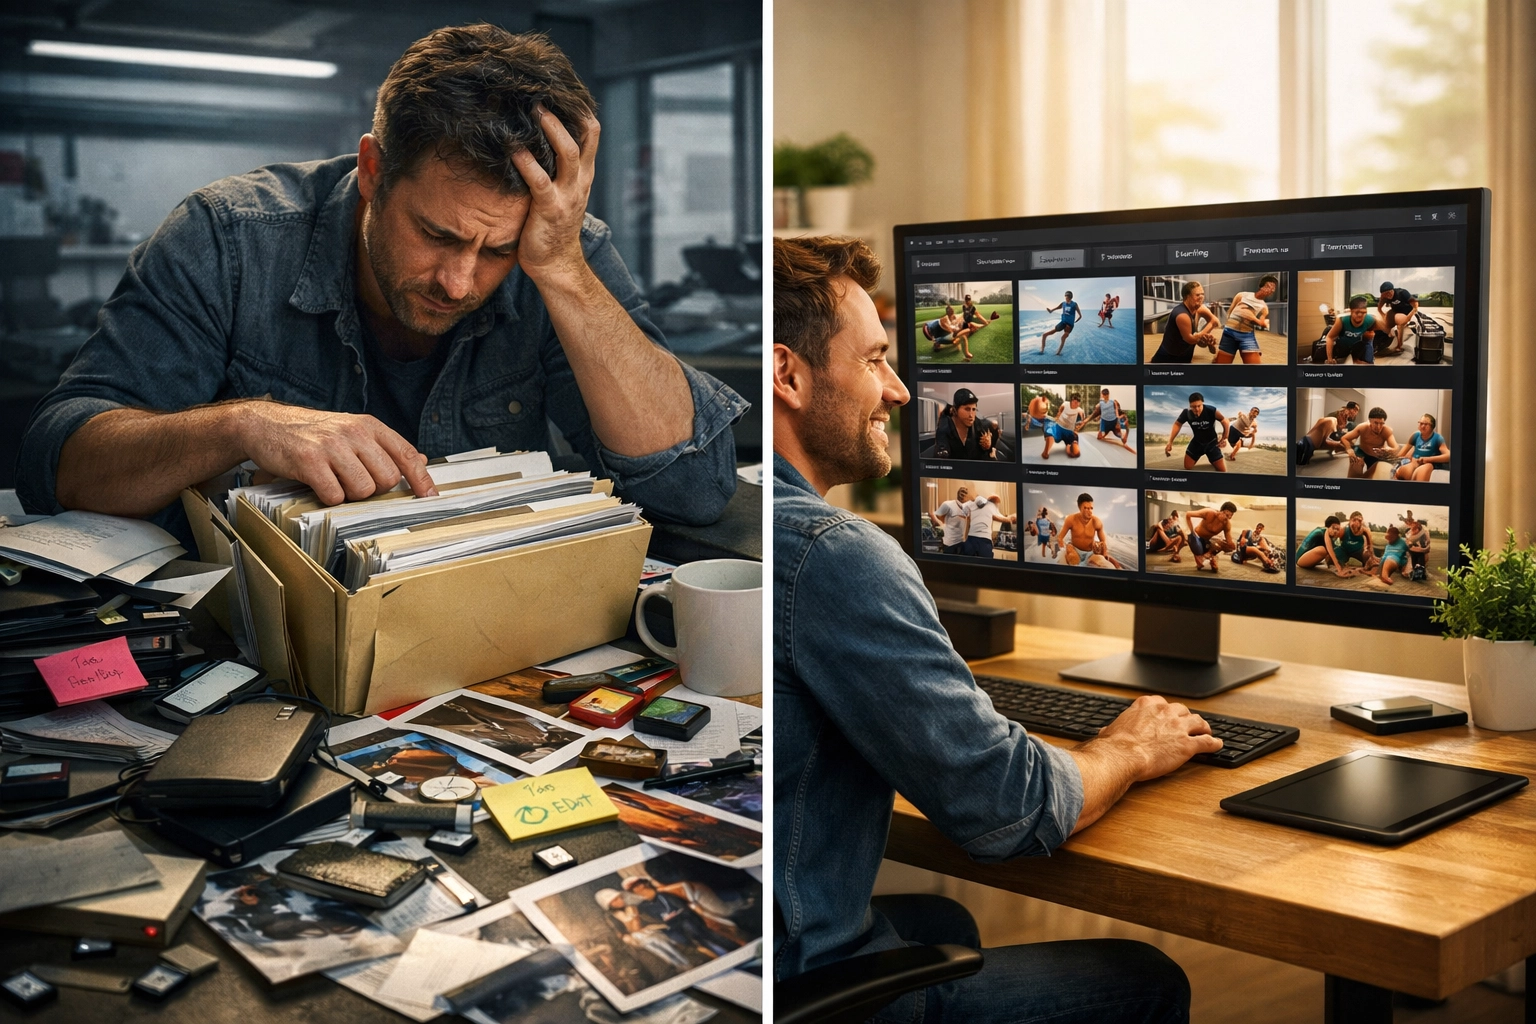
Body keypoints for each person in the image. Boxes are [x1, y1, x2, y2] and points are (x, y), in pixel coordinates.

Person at [17, 25, 743, 538]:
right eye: (436, 234)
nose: (460, 282)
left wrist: (560, 272)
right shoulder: (226, 235)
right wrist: (242, 424)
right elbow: (60, 461)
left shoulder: (562, 251)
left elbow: (693, 491)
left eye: (497, 250)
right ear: (372, 171)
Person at [774, 234, 1209, 1024]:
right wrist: (1129, 749)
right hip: (786, 980)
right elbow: (1005, 811)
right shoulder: (828, 556)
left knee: (945, 924)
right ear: (787, 374)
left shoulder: (708, 504)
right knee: (1146, 980)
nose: (901, 391)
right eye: (875, 359)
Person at [1149, 280, 1218, 363]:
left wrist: (1206, 338)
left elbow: (1216, 321)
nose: (1201, 297)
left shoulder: (1200, 309)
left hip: (1185, 356)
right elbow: (1191, 340)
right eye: (1197, 295)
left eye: (1202, 294)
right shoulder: (1182, 315)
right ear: (1187, 297)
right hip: (1168, 358)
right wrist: (1209, 326)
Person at [1214, 275, 1277, 364]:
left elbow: (1262, 323)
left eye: (1273, 288)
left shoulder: (1264, 307)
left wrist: (1253, 318)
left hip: (1247, 336)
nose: (1271, 290)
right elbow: (1230, 312)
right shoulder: (1242, 295)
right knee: (1221, 366)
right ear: (1261, 286)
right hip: (1229, 333)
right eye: (1268, 286)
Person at [1164, 392, 1230, 472]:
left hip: (1211, 443)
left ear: (1203, 403)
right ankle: (1210, 458)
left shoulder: (1211, 410)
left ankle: (1213, 459)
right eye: (1193, 407)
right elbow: (1177, 424)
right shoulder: (1186, 413)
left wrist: (1224, 437)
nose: (1197, 409)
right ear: (1190, 405)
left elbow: (1225, 421)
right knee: (1187, 467)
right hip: (1197, 443)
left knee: (1222, 470)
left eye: (1199, 406)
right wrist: (1170, 442)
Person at [932, 388, 999, 460]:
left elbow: (994, 426)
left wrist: (989, 446)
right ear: (955, 410)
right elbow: (942, 461)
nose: (971, 415)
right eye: (967, 409)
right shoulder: (944, 428)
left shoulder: (978, 425)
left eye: (973, 409)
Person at [1339, 407, 1401, 479]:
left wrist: (1390, 450)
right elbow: (1344, 438)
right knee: (1353, 476)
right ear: (1370, 421)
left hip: (1376, 455)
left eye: (1381, 423)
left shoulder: (1387, 431)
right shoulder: (1362, 427)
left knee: (1373, 478)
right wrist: (1349, 449)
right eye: (1376, 423)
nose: (1378, 427)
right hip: (1361, 451)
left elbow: (1396, 447)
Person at [1061, 493, 1118, 569]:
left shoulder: (1096, 521)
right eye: (1086, 508)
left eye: (1091, 508)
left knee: (1109, 567)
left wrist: (1103, 551)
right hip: (1075, 550)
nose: (1090, 511)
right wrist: (1065, 550)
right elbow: (1060, 538)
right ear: (1079, 508)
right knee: (1074, 564)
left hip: (1090, 553)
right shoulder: (1071, 519)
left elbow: (1103, 541)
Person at [1295, 402, 1361, 465]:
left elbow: (1323, 441)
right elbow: (1324, 441)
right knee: (1299, 469)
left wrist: (1340, 445)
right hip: (1305, 445)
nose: (1345, 422)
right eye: (1345, 418)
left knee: (1301, 467)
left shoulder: (1331, 421)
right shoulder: (1331, 421)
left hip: (1308, 445)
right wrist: (1341, 445)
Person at [1394, 413, 1450, 481]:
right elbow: (1400, 454)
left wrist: (1427, 459)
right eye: (1421, 423)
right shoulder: (1415, 435)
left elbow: (1448, 456)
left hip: (1428, 464)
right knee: (1401, 472)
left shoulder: (1438, 438)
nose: (1422, 426)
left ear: (1432, 426)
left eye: (1426, 424)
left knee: (1422, 472)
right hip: (1414, 462)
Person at [1185, 502, 1238, 573]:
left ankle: (1210, 555)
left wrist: (1230, 546)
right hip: (1196, 538)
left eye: (1231, 516)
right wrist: (1191, 531)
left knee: (1214, 567)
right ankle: (1200, 556)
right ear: (1222, 511)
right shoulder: (1209, 513)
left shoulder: (1226, 524)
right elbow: (1188, 514)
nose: (1228, 518)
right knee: (1199, 555)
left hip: (1207, 542)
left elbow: (1229, 542)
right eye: (1227, 515)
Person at [1323, 295, 1378, 364]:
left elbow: (1371, 333)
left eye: (1363, 312)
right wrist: (1330, 359)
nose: (1360, 315)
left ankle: (1359, 359)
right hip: (1343, 346)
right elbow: (1330, 337)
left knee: (1366, 343)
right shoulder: (1343, 320)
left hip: (1357, 345)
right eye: (1357, 312)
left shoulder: (1369, 319)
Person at [964, 494, 1015, 559]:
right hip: (984, 540)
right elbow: (1007, 519)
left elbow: (967, 523)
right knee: (986, 565)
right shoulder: (991, 506)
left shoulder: (970, 505)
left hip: (971, 539)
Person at [1378, 280, 1419, 355]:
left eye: (1389, 292)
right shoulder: (1384, 297)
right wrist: (1384, 316)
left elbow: (1415, 306)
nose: (1387, 295)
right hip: (1395, 311)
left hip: (1407, 311)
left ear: (1392, 290)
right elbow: (1379, 308)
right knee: (1385, 324)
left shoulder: (1402, 293)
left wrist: (1408, 317)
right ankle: (1386, 339)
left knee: (1400, 324)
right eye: (1385, 294)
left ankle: (1399, 345)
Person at [1039, 290, 1084, 355]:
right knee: (1044, 335)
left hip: (1069, 325)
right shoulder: (1063, 303)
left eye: (1068, 298)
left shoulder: (1074, 304)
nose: (1067, 299)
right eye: (1066, 298)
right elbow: (1057, 308)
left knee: (1063, 337)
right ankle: (1042, 350)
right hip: (1063, 322)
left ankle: (1058, 352)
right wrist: (1051, 310)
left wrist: (1078, 318)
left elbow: (1080, 315)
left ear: (1071, 298)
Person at [1042, 396, 1087, 460]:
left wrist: (1077, 429)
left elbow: (1083, 422)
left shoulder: (1080, 410)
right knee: (1050, 433)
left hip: (1069, 432)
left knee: (1076, 453)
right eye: (1075, 402)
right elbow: (1059, 412)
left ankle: (1068, 446)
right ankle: (1045, 452)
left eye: (1078, 403)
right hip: (1059, 428)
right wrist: (1056, 418)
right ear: (1071, 401)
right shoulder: (1065, 404)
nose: (1076, 404)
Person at [1092, 388, 1136, 453]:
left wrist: (1125, 432)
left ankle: (1123, 437)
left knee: (1123, 439)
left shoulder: (1120, 413)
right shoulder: (1106, 410)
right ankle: (1109, 433)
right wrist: (1096, 418)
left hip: (1115, 427)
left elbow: (1125, 423)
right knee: (1099, 437)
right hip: (1107, 426)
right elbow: (1099, 416)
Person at [931, 486, 971, 555]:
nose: (963, 495)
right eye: (962, 493)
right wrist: (942, 525)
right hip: (949, 544)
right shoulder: (948, 504)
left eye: (965, 493)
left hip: (961, 543)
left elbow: (968, 524)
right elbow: (933, 515)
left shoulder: (967, 508)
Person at [1404, 514, 1431, 580]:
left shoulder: (1423, 531)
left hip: (1419, 550)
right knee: (1416, 561)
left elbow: (1427, 542)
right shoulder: (1412, 531)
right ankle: (1418, 572)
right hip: (1415, 550)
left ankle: (1420, 572)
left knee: (1418, 561)